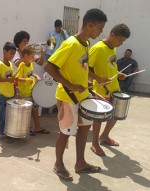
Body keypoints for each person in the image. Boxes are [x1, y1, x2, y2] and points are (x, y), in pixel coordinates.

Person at [44, 8, 107, 181]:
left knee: (84, 128)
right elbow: (49, 66)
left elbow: (83, 67)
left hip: (83, 95)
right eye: (100, 28)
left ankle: (80, 162)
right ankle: (58, 163)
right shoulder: (70, 44)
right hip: (67, 96)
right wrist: (71, 84)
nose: (101, 32)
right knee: (66, 132)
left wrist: (95, 79)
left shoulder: (86, 44)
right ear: (90, 25)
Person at [88, 24, 131, 156]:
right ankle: (94, 143)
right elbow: (84, 68)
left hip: (114, 88)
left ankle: (104, 136)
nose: (121, 43)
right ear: (112, 35)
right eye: (120, 40)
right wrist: (98, 78)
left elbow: (109, 66)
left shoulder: (112, 48)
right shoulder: (98, 48)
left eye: (123, 41)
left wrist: (118, 74)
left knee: (116, 114)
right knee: (99, 118)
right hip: (102, 90)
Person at [15, 45, 49, 134]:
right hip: (25, 93)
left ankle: (38, 127)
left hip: (32, 91)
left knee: (35, 109)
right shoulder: (22, 65)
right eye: (32, 57)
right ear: (25, 56)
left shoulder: (31, 64)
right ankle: (26, 129)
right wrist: (25, 80)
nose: (33, 58)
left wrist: (36, 76)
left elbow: (31, 74)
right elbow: (16, 78)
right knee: (26, 113)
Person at [0, 42, 16, 137]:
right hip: (3, 94)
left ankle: (9, 132)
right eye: (11, 53)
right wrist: (7, 79)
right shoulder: (0, 65)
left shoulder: (10, 64)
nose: (12, 56)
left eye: (14, 54)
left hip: (11, 94)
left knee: (10, 115)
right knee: (3, 115)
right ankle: (2, 133)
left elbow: (12, 79)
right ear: (4, 52)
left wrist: (15, 90)